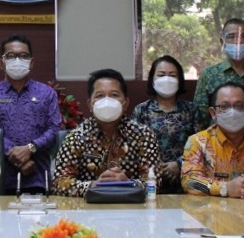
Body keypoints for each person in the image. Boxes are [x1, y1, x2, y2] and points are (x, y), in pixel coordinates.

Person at [53, 68, 163, 197]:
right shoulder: (76, 137)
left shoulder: (144, 135)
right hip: (88, 212)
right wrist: (93, 186)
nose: (107, 101)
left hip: (132, 210)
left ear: (126, 103)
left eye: (114, 95)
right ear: (90, 104)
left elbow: (156, 183)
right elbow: (59, 183)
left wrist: (129, 184)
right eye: (100, 96)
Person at [0, 34, 61, 194]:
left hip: (38, 176)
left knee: (40, 219)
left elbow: (55, 129)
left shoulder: (47, 93)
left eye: (23, 56)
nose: (17, 60)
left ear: (31, 62)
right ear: (1, 63)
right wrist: (16, 157)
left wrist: (30, 148)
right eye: (11, 56)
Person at [131, 55, 198, 193]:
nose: (166, 79)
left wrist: (179, 164)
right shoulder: (141, 110)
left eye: (172, 75)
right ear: (152, 80)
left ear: (180, 80)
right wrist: (154, 167)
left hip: (186, 181)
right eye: (161, 75)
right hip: (149, 182)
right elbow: (133, 146)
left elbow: (202, 144)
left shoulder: (191, 110)